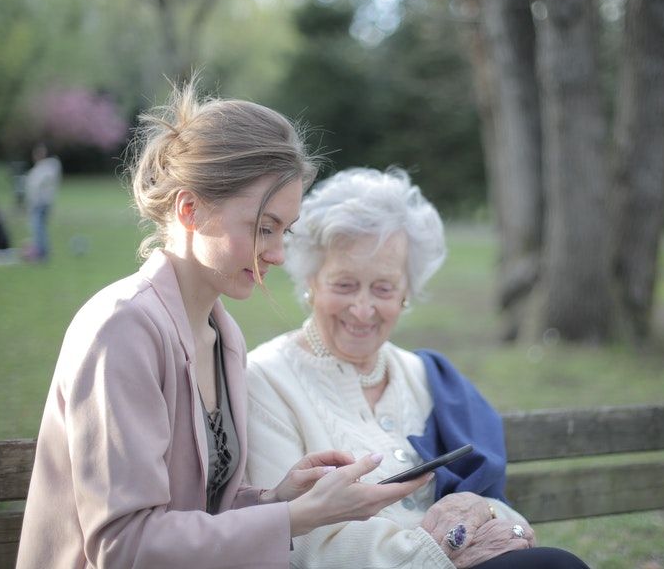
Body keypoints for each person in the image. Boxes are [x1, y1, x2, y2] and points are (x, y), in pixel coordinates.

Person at [16, 81, 431, 569]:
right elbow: (124, 547)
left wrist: (279, 499)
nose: (277, 254)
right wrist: (293, 519)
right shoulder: (122, 329)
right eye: (262, 228)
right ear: (190, 210)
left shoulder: (222, 334)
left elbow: (197, 513)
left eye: (284, 231)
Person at [245, 168, 590, 568]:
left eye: (383, 288)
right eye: (343, 285)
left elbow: (502, 514)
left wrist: (484, 514)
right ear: (311, 281)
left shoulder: (427, 377)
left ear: (406, 293)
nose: (362, 309)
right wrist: (437, 551)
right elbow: (300, 542)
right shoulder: (265, 380)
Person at [24, 142, 62, 261]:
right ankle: (40, 252)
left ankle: (42, 253)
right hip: (38, 203)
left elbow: (42, 185)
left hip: (41, 204)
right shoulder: (40, 169)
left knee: (38, 228)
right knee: (38, 228)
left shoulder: (47, 168)